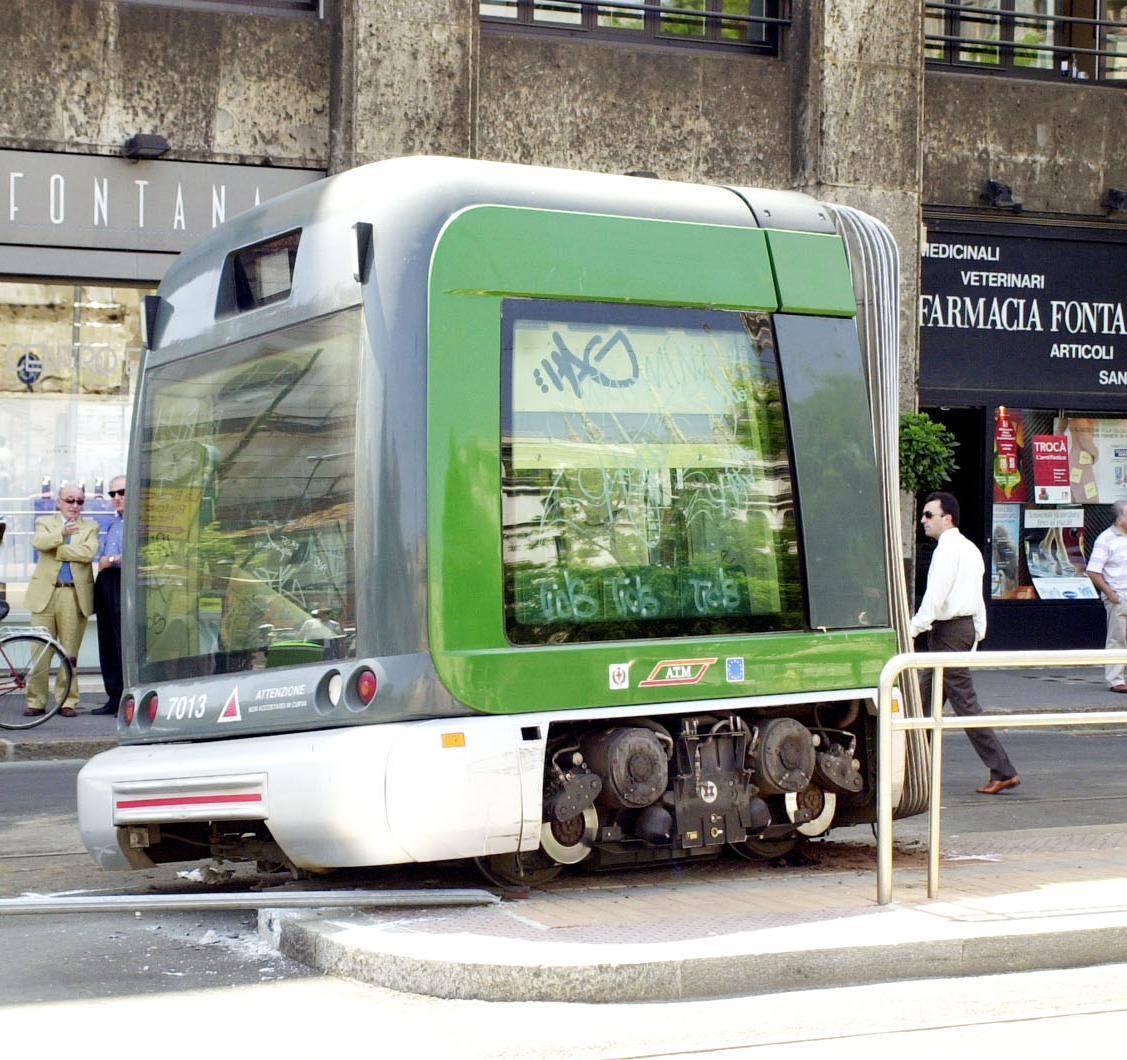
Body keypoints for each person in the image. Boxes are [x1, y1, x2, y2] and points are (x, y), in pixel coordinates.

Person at [910, 491, 1021, 795]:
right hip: (960, 629)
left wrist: (912, 628)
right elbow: (977, 596)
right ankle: (910, 769)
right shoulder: (970, 549)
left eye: (928, 515)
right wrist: (978, 632)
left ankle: (1002, 769)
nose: (923, 521)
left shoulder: (947, 551)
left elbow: (936, 597)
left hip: (949, 631)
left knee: (962, 702)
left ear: (948, 518)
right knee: (922, 701)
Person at [25, 483, 98, 718]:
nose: (75, 506)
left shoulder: (91, 526)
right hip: (45, 594)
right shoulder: (45, 522)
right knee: (40, 651)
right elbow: (39, 543)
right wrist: (63, 535)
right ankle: (36, 700)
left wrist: (59, 550)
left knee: (69, 653)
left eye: (79, 501)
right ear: (59, 502)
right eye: (70, 500)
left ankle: (68, 700)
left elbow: (88, 553)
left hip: (73, 594)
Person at [91, 474, 126, 716]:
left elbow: (137, 555)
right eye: (112, 494)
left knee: (121, 638)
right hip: (106, 581)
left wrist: (110, 560)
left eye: (121, 492)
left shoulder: (139, 522)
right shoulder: (114, 523)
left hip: (122, 580)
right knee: (107, 641)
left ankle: (125, 697)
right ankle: (113, 697)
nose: (117, 498)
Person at [1084, 499, 1127, 692]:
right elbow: (1093, 570)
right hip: (1119, 596)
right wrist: (1110, 593)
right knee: (1117, 638)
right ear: (1119, 518)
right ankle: (1116, 679)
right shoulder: (1106, 539)